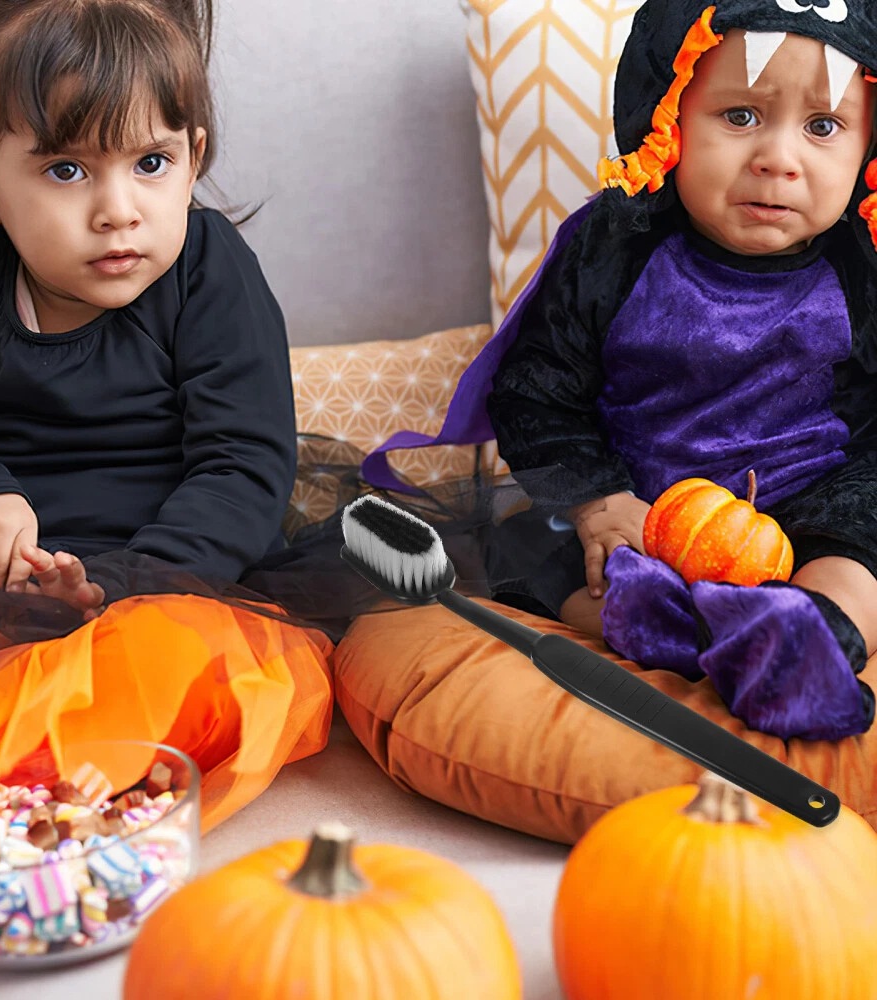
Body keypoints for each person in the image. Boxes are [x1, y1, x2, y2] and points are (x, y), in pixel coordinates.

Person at [0, 0, 335, 952]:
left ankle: (13, 829)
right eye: (67, 170)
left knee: (150, 672)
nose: (119, 208)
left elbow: (243, 467)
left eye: (150, 163)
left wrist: (120, 585)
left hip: (172, 581)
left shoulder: (208, 270)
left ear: (193, 159)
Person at [363, 0, 877, 743]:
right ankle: (660, 624)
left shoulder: (862, 260)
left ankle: (813, 632)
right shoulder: (616, 246)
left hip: (813, 494)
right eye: (739, 117)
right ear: (667, 114)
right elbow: (536, 393)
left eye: (823, 127)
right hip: (644, 501)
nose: (778, 158)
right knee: (538, 558)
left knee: (861, 544)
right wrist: (599, 503)